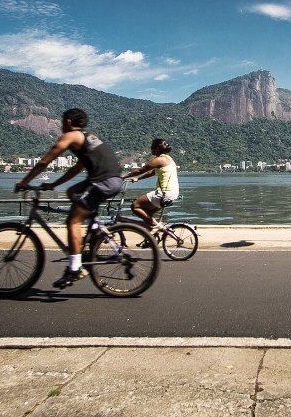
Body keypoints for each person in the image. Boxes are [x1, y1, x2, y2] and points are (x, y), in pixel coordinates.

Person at [16, 108, 122, 289]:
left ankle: (75, 268)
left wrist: (25, 181)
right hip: (112, 178)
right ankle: (93, 229)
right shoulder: (88, 137)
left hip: (102, 181)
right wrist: (54, 185)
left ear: (68, 122)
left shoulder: (71, 136)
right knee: (72, 192)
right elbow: (77, 168)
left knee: (72, 221)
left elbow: (45, 161)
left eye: (62, 122)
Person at [122, 138, 180, 231]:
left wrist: (124, 176)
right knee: (147, 213)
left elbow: (141, 169)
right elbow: (152, 172)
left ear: (156, 148)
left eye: (151, 147)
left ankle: (160, 228)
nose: (151, 150)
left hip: (164, 193)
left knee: (135, 206)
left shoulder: (159, 159)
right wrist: (138, 178)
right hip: (172, 193)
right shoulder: (168, 158)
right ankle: (150, 235)